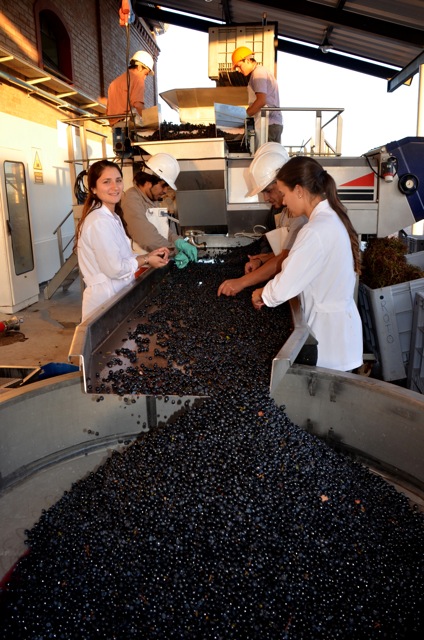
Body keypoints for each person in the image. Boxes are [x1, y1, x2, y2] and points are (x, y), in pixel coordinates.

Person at [251, 155, 363, 372]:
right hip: (339, 333)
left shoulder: (315, 230)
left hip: (328, 341)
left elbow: (285, 285)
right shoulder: (330, 219)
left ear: (299, 190)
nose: (283, 201)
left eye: (284, 194)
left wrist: (262, 295)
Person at [75, 160, 169, 322]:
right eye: (106, 182)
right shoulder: (99, 221)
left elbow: (123, 257)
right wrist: (146, 259)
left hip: (117, 295)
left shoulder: (113, 217)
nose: (115, 187)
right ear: (93, 188)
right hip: (105, 300)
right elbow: (115, 269)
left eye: (118, 180)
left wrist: (150, 256)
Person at [218, 145, 307, 297]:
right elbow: (288, 251)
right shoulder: (284, 211)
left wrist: (242, 282)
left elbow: (286, 257)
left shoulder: (301, 216)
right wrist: (262, 260)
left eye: (268, 190)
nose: (265, 198)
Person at [122, 153, 198, 269]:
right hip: (138, 269)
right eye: (163, 185)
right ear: (148, 181)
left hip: (154, 264)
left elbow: (163, 230)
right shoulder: (131, 199)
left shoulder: (152, 200)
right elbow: (147, 238)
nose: (165, 191)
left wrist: (179, 241)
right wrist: (175, 251)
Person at [232, 46, 283, 147]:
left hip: (267, 125)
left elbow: (261, 101)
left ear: (247, 60)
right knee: (272, 158)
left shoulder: (258, 73)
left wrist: (242, 117)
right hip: (272, 124)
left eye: (239, 66)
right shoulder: (261, 72)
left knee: (266, 159)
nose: (238, 70)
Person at [107, 50, 154, 127]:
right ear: (139, 67)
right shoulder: (138, 79)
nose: (145, 78)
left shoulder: (115, 82)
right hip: (127, 125)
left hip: (115, 127)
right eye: (145, 74)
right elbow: (138, 104)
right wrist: (151, 120)